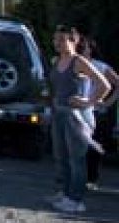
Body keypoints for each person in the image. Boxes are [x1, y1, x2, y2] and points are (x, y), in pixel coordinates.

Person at [48, 26, 111, 213]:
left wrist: (88, 101)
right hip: (59, 113)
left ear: (73, 41)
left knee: (77, 159)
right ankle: (66, 193)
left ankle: (76, 200)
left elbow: (104, 85)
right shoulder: (56, 60)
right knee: (62, 157)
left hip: (76, 116)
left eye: (62, 39)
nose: (57, 43)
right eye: (55, 39)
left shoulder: (80, 61)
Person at [79, 37, 118, 189]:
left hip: (95, 112)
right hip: (77, 111)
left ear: (91, 49)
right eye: (81, 46)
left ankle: (92, 178)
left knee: (93, 147)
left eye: (86, 46)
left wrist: (108, 102)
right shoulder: (74, 64)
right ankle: (75, 177)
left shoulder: (100, 66)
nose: (83, 49)